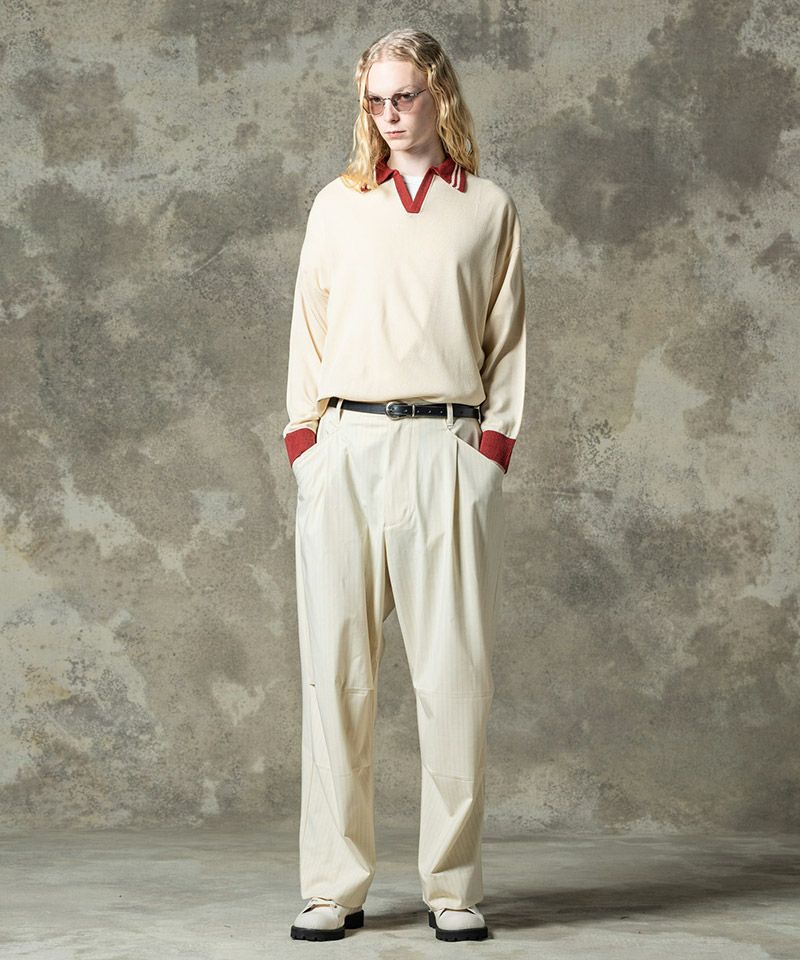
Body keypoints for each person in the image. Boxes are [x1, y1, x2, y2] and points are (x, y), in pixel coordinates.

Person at [283, 28, 526, 943]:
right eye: (376, 101)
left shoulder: (487, 209)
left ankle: (452, 888)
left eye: (405, 96)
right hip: (344, 449)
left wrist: (489, 455)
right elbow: (307, 330)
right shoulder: (337, 205)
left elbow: (507, 341)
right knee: (335, 677)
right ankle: (332, 886)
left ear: (439, 95)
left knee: (454, 681)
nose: (390, 115)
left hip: (446, 451)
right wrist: (306, 444)